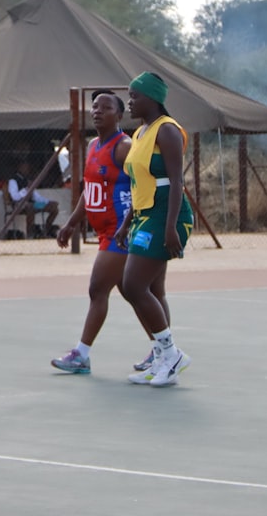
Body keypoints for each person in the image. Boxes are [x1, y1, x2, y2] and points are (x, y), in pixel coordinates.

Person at [50, 90, 155, 375]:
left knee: (98, 289)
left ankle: (82, 354)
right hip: (106, 232)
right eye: (94, 107)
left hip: (120, 231)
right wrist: (72, 222)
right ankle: (163, 350)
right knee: (133, 293)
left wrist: (130, 222)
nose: (97, 111)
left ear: (119, 115)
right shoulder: (94, 144)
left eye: (106, 107)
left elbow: (143, 185)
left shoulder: (123, 147)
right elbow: (90, 189)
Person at [114, 72, 194, 388]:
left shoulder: (167, 131)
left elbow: (176, 182)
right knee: (153, 289)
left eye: (135, 96)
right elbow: (140, 183)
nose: (130, 102)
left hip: (165, 214)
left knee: (132, 285)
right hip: (145, 212)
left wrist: (171, 227)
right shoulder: (140, 133)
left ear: (153, 98)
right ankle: (161, 357)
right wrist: (126, 223)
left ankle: (171, 354)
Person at [6, 158, 59, 238]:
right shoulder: (13, 181)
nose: (27, 169)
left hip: (33, 205)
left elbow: (36, 196)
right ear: (20, 167)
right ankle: (30, 234)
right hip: (19, 205)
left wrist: (47, 202)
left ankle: (45, 231)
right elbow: (15, 197)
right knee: (30, 207)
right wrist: (26, 189)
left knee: (54, 208)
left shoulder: (27, 180)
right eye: (25, 166)